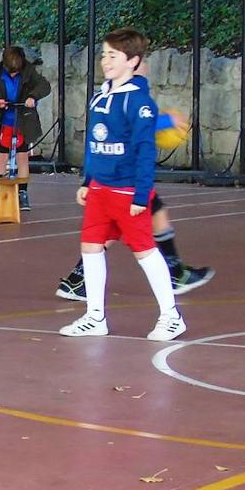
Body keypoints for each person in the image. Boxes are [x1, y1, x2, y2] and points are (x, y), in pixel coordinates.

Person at [59, 28, 186, 341]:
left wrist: (142, 194)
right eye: (104, 55)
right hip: (100, 190)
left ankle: (172, 316)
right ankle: (94, 317)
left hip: (127, 191)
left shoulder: (139, 103)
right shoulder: (100, 97)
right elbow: (92, 142)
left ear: (132, 61)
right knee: (90, 247)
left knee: (144, 251)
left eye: (113, 56)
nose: (106, 61)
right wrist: (87, 180)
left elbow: (145, 151)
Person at [55, 198, 214, 300]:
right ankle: (176, 276)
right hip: (125, 176)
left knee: (118, 222)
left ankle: (77, 279)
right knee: (147, 217)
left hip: (111, 174)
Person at [0, 46, 50, 212]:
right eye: (11, 71)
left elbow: (44, 86)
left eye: (16, 71)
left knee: (22, 157)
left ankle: (22, 193)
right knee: (1, 157)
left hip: (23, 121)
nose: (13, 74)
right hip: (5, 121)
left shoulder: (29, 72)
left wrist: (32, 97)